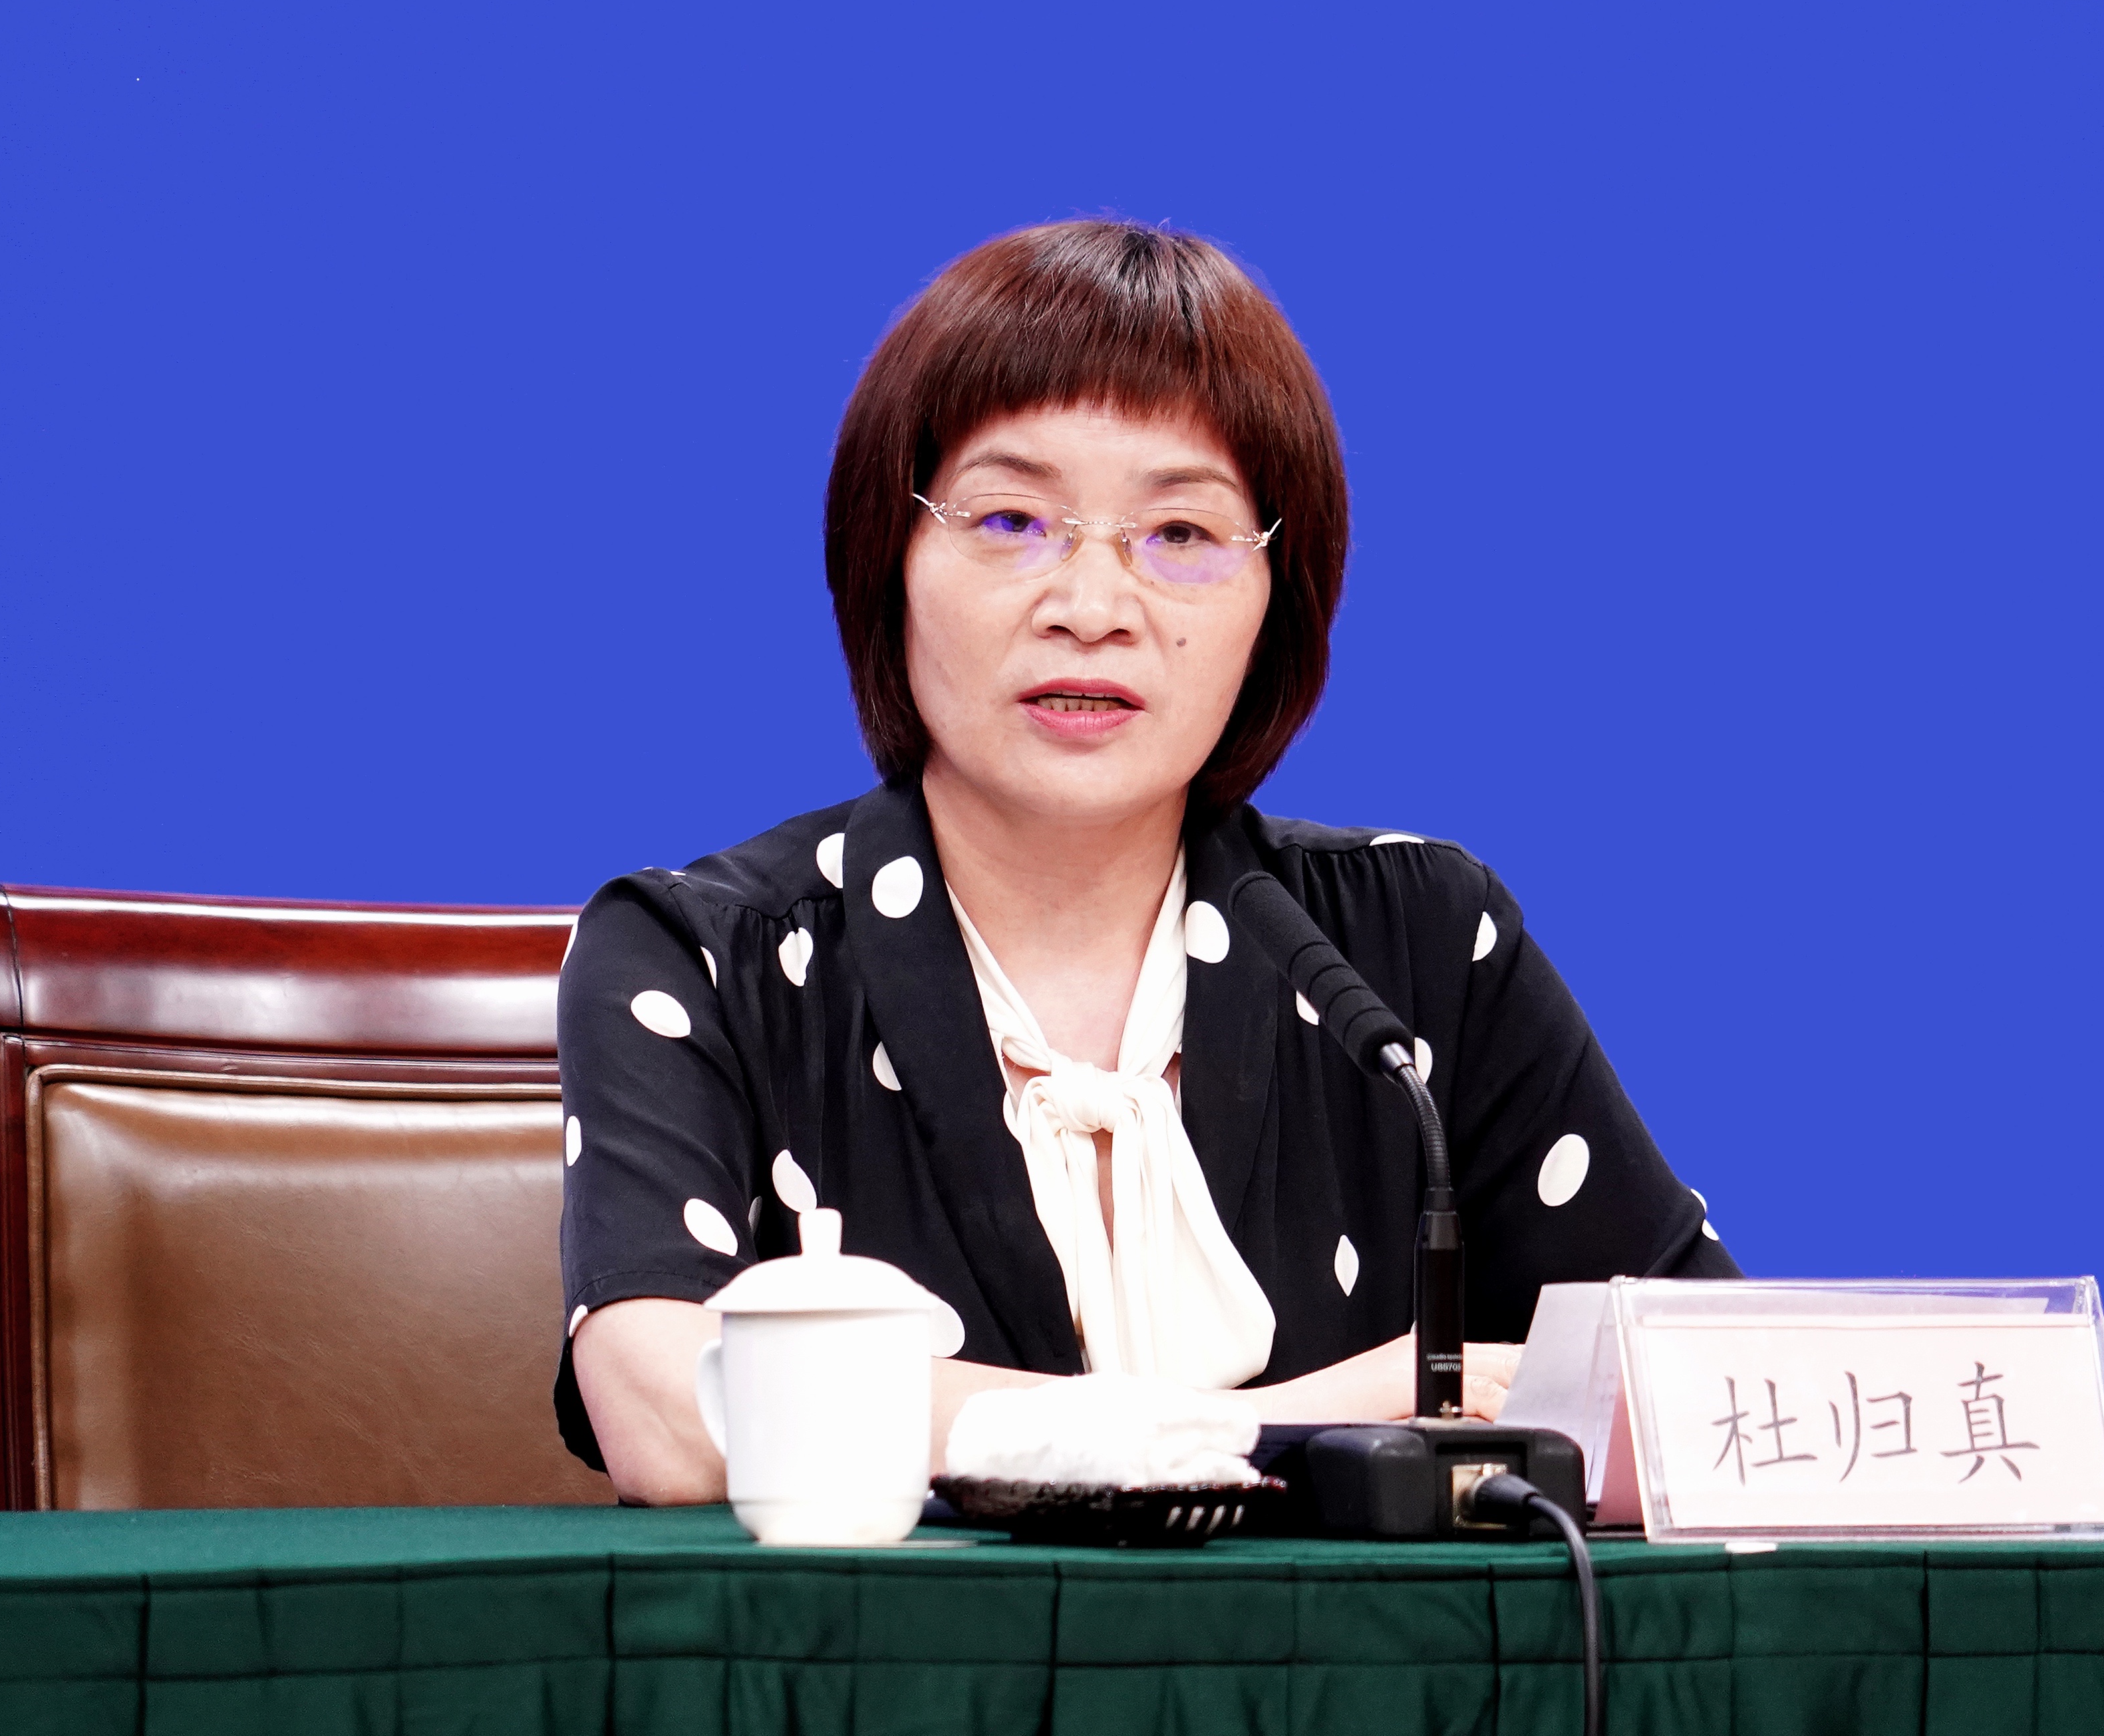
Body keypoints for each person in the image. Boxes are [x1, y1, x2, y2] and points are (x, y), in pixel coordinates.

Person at [556, 220, 1737, 1503]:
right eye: (1011, 519)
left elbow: (1711, 1396)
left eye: (1181, 534)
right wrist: (1300, 1424)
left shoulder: (1416, 949)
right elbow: (669, 1412)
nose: (1093, 607)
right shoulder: (703, 957)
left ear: (1278, 599)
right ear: (885, 560)